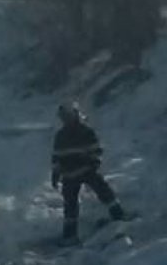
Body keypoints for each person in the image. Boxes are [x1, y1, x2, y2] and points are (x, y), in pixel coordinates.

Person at [52, 103, 127, 244]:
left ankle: (119, 216)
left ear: (75, 114)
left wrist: (94, 164)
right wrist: (55, 175)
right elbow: (56, 158)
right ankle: (70, 235)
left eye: (67, 116)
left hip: (86, 170)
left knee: (103, 191)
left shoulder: (85, 131)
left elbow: (96, 150)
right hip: (71, 175)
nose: (65, 119)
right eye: (63, 117)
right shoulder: (61, 136)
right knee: (70, 204)